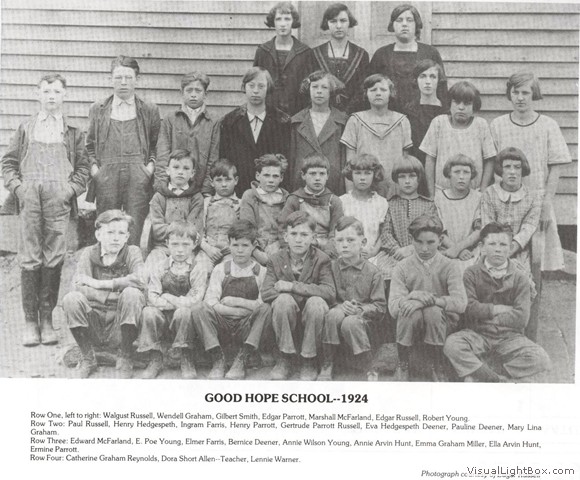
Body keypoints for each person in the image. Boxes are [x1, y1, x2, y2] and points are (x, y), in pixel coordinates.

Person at [2, 73, 89, 347]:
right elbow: (8, 163)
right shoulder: (26, 128)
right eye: (47, 91)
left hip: (58, 199)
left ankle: (47, 320)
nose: (52, 97)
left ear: (65, 95)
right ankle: (30, 321)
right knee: (30, 256)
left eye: (57, 92)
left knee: (54, 256)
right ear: (37, 94)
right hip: (30, 197)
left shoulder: (72, 132)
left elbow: (83, 168)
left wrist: (69, 190)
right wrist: (18, 188)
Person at [444, 222, 551, 382]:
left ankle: (483, 370)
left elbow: (521, 318)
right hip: (477, 334)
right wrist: (499, 309)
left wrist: (485, 314)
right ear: (482, 247)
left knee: (541, 358)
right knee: (452, 344)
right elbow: (470, 308)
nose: (498, 249)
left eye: (503, 244)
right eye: (492, 244)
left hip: (509, 337)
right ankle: (494, 379)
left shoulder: (520, 278)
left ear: (510, 248)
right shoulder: (471, 274)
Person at [490, 72, 572, 272]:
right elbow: (493, 166)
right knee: (503, 253)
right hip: (505, 200)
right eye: (515, 92)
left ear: (534, 94)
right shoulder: (498, 125)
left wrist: (546, 204)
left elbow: (556, 167)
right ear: (509, 94)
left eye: (525, 93)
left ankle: (534, 290)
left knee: (536, 259)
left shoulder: (548, 125)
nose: (520, 98)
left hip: (536, 199)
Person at [85, 55, 161, 245]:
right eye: (118, 77)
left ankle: (131, 261)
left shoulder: (149, 109)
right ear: (110, 79)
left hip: (138, 177)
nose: (123, 82)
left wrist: (148, 169)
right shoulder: (98, 109)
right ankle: (107, 262)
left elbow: (156, 144)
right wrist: (96, 171)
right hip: (106, 177)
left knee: (133, 227)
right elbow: (89, 145)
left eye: (128, 77)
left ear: (137, 79)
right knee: (107, 226)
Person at [62, 210, 146, 379]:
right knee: (71, 299)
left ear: (127, 237)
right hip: (93, 321)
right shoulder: (89, 253)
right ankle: (88, 356)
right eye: (110, 232)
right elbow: (78, 286)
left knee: (132, 294)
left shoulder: (132, 252)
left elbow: (140, 280)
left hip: (120, 324)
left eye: (121, 233)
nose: (115, 238)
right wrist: (110, 296)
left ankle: (125, 355)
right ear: (98, 235)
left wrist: (99, 284)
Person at [389, 214, 467, 382]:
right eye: (419, 242)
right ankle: (403, 363)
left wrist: (429, 301)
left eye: (431, 242)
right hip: (412, 326)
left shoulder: (450, 266)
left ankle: (436, 365)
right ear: (412, 240)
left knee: (432, 311)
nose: (424, 249)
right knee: (407, 309)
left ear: (440, 240)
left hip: (443, 325)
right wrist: (411, 297)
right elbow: (393, 307)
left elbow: (461, 303)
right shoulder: (401, 267)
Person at [191, 220, 271, 380]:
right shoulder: (221, 269)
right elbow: (211, 303)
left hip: (247, 329)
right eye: (235, 245)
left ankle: (243, 358)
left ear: (254, 246)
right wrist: (244, 309)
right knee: (199, 308)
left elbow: (261, 305)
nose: (240, 250)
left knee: (267, 309)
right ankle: (217, 359)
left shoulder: (261, 272)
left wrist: (235, 301)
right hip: (223, 327)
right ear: (229, 245)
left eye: (245, 245)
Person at [262, 211, 336, 381]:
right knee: (283, 300)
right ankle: (285, 357)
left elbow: (329, 292)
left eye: (304, 235)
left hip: (313, 316)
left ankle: (309, 359)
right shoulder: (275, 259)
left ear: (313, 237)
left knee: (316, 302)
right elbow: (266, 292)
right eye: (293, 234)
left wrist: (292, 287)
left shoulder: (322, 259)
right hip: (286, 316)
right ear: (285, 237)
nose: (298, 239)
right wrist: (289, 297)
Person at [138, 221, 207, 379]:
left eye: (185, 244)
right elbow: (152, 297)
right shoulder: (160, 266)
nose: (180, 250)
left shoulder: (198, 267)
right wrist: (173, 303)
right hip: (163, 317)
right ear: (167, 243)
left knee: (184, 312)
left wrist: (168, 297)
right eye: (175, 244)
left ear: (194, 244)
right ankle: (155, 357)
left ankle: (186, 356)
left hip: (185, 321)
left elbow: (195, 299)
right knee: (148, 312)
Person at [320, 217, 386, 381]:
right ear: (334, 243)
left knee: (350, 322)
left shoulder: (373, 272)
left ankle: (369, 365)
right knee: (333, 314)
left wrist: (360, 309)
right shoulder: (330, 268)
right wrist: (338, 306)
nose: (344, 245)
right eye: (340, 240)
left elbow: (380, 307)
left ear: (363, 242)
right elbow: (327, 295)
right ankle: (327, 362)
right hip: (336, 315)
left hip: (363, 323)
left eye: (350, 240)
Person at [219, 66, 290, 195]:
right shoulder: (230, 122)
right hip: (239, 191)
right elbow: (224, 161)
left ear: (268, 88)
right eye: (251, 86)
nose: (256, 91)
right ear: (244, 87)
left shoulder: (281, 122)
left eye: (261, 86)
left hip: (272, 193)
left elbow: (285, 160)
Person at [340, 74, 412, 198]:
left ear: (391, 93)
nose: (378, 93)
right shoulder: (355, 120)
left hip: (394, 188)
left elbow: (406, 162)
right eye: (373, 90)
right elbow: (350, 163)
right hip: (363, 188)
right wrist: (351, 196)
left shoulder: (402, 121)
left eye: (383, 90)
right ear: (366, 94)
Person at [421, 80, 496, 198]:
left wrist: (482, 191)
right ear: (449, 104)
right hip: (442, 193)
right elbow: (430, 159)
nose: (461, 107)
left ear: (474, 106)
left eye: (467, 104)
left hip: (473, 194)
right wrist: (432, 194)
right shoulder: (439, 123)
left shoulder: (481, 125)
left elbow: (489, 160)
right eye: (456, 102)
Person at [369, 4, 447, 113]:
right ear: (392, 25)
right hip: (389, 114)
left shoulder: (430, 53)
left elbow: (441, 88)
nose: (404, 24)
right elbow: (369, 87)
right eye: (399, 20)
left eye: (409, 20)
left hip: (423, 114)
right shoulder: (381, 54)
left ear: (416, 24)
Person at [154, 72, 219, 197]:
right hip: (173, 189)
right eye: (189, 90)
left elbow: (213, 159)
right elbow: (162, 156)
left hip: (200, 189)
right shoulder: (170, 120)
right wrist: (162, 187)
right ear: (181, 92)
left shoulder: (213, 122)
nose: (193, 95)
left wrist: (206, 191)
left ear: (205, 94)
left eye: (198, 91)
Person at [374, 155, 438, 280]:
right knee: (388, 271)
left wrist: (413, 248)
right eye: (402, 177)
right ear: (396, 179)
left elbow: (432, 232)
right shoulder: (390, 204)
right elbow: (386, 233)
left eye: (412, 176)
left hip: (422, 252)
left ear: (419, 178)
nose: (407, 181)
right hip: (395, 255)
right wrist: (398, 250)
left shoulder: (428, 205)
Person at [481, 147, 542, 271]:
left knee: (519, 274)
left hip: (518, 250)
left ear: (522, 170)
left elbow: (529, 227)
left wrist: (512, 248)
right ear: (501, 170)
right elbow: (488, 225)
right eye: (507, 167)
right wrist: (498, 250)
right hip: (491, 247)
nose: (512, 172)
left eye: (517, 167)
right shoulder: (489, 193)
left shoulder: (533, 197)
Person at [146, 149, 204, 274]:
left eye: (186, 168)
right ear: (168, 170)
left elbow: (193, 230)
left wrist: (172, 230)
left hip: (187, 248)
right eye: (176, 167)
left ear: (192, 173)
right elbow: (157, 230)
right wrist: (182, 229)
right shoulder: (159, 197)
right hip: (162, 248)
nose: (180, 172)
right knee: (152, 269)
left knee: (193, 271)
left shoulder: (196, 198)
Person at [289, 70, 347, 195]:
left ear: (331, 91)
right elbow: (293, 158)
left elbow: (344, 158)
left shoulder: (342, 121)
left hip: (333, 183)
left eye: (324, 87)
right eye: (315, 87)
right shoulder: (297, 121)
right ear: (308, 89)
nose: (319, 91)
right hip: (303, 184)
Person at [254, 1, 316, 116]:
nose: (283, 24)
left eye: (287, 19)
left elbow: (312, 87)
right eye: (278, 19)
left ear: (293, 21)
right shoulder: (263, 51)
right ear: (273, 22)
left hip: (297, 113)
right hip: (268, 114)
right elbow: (255, 84)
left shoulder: (305, 53)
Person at [279, 154, 344, 259]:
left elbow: (336, 232)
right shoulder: (294, 199)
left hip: (326, 249)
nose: (317, 178)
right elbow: (283, 229)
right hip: (299, 246)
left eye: (322, 174)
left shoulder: (334, 201)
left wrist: (327, 254)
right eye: (312, 173)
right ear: (303, 175)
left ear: (327, 176)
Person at [312, 2, 369, 113]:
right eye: (333, 21)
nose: (338, 26)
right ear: (327, 24)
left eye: (343, 21)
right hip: (322, 113)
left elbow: (362, 90)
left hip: (353, 114)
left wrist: (347, 114)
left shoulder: (361, 55)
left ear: (349, 22)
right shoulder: (315, 54)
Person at [239, 153, 290, 266]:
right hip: (254, 249)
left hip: (280, 247)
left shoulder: (287, 198)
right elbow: (246, 228)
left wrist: (279, 244)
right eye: (266, 175)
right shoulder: (250, 196)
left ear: (281, 178)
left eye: (275, 176)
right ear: (258, 176)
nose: (271, 180)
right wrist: (257, 252)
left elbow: (288, 228)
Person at [339, 153, 389, 263]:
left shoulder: (381, 203)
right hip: (346, 256)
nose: (362, 178)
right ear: (351, 174)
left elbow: (384, 232)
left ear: (374, 175)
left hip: (372, 257)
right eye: (357, 173)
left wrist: (373, 251)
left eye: (367, 173)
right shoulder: (342, 201)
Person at [435, 154, 482, 269]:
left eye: (466, 172)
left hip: (471, 252)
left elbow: (479, 230)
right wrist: (456, 250)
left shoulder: (478, 198)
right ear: (449, 174)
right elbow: (438, 231)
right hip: (446, 250)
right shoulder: (439, 198)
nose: (461, 177)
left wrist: (459, 248)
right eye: (456, 172)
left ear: (471, 175)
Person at [404, 59, 447, 166]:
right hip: (415, 165)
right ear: (416, 80)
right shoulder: (408, 111)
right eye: (423, 76)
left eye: (433, 77)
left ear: (439, 80)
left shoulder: (446, 112)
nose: (428, 81)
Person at [199, 159, 240, 268]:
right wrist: (207, 248)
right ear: (212, 182)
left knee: (229, 269)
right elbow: (199, 230)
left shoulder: (241, 204)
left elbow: (244, 232)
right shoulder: (206, 203)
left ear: (236, 180)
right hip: (208, 251)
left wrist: (233, 248)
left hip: (231, 251)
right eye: (219, 180)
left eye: (228, 179)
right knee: (201, 268)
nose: (224, 184)